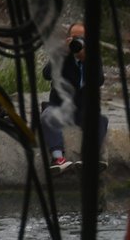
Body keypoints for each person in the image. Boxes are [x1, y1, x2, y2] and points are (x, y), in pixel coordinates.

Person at [40, 20, 109, 172]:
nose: (77, 41)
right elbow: (46, 74)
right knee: (47, 115)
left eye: (81, 37)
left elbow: (99, 80)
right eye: (74, 37)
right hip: (60, 106)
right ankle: (58, 158)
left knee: (100, 120)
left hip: (83, 110)